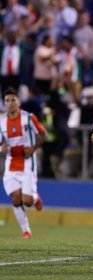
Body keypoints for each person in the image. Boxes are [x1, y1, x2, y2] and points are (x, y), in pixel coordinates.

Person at [0, 87, 46, 238]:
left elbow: (43, 134)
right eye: (7, 100)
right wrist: (2, 148)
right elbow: (1, 144)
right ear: (4, 103)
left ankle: (34, 198)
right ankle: (26, 230)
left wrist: (33, 148)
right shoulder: (1, 122)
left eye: (13, 99)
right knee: (15, 198)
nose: (10, 103)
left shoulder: (28, 117)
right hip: (11, 163)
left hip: (27, 163)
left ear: (19, 101)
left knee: (26, 201)